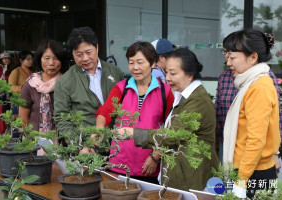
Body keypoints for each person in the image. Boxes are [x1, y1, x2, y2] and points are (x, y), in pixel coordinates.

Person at [117, 48, 219, 191]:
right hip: (181, 173)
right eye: (166, 72)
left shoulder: (197, 101)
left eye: (173, 73)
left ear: (190, 75)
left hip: (192, 176)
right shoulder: (183, 95)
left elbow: (172, 135)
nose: (168, 77)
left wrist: (134, 133)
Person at [95, 41, 174, 183]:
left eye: (140, 62)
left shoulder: (165, 92)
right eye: (131, 62)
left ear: (153, 63)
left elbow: (171, 128)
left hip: (149, 165)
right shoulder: (121, 88)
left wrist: (156, 157)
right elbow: (105, 112)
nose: (135, 67)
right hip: (119, 163)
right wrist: (100, 128)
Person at [222, 29, 281, 199]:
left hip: (253, 172)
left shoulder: (259, 87)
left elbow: (256, 139)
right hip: (247, 170)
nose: (228, 63)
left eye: (232, 58)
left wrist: (241, 181)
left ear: (253, 57)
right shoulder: (250, 82)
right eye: (227, 58)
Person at [215, 49, 282, 171]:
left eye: (232, 56)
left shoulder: (261, 83)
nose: (228, 60)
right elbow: (218, 112)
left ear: (252, 57)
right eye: (225, 53)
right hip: (230, 147)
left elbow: (270, 124)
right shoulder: (225, 77)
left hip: (253, 162)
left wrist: (275, 152)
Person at [54, 26, 124, 134]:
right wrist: (80, 146)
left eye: (88, 52)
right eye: (79, 55)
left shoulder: (115, 72)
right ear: (72, 53)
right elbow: (62, 119)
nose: (85, 58)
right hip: (87, 144)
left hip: (116, 141)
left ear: (97, 47)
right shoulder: (65, 81)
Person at [19, 40, 68, 133]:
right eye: (46, 58)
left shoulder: (67, 83)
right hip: (35, 143)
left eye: (56, 58)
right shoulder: (30, 85)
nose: (51, 63)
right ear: (39, 59)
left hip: (64, 143)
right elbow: (23, 118)